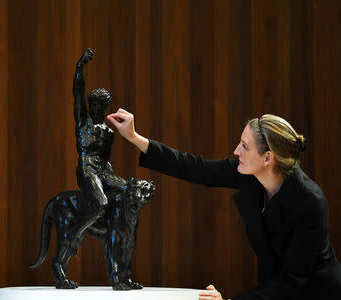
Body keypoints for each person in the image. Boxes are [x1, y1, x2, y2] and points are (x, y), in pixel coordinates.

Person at [107, 108, 341, 300]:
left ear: (268, 158)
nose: (236, 150)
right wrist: (134, 138)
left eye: (244, 146)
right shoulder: (250, 174)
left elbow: (291, 281)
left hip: (317, 294)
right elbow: (196, 168)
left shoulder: (310, 202)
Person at [69, 49, 126, 250]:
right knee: (101, 203)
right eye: (92, 104)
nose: (95, 108)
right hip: (87, 168)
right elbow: (78, 93)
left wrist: (116, 179)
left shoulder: (109, 133)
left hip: (103, 170)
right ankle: (77, 234)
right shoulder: (83, 122)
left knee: (129, 192)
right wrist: (79, 67)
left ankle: (114, 235)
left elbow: (105, 160)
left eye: (99, 106)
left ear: (104, 107)